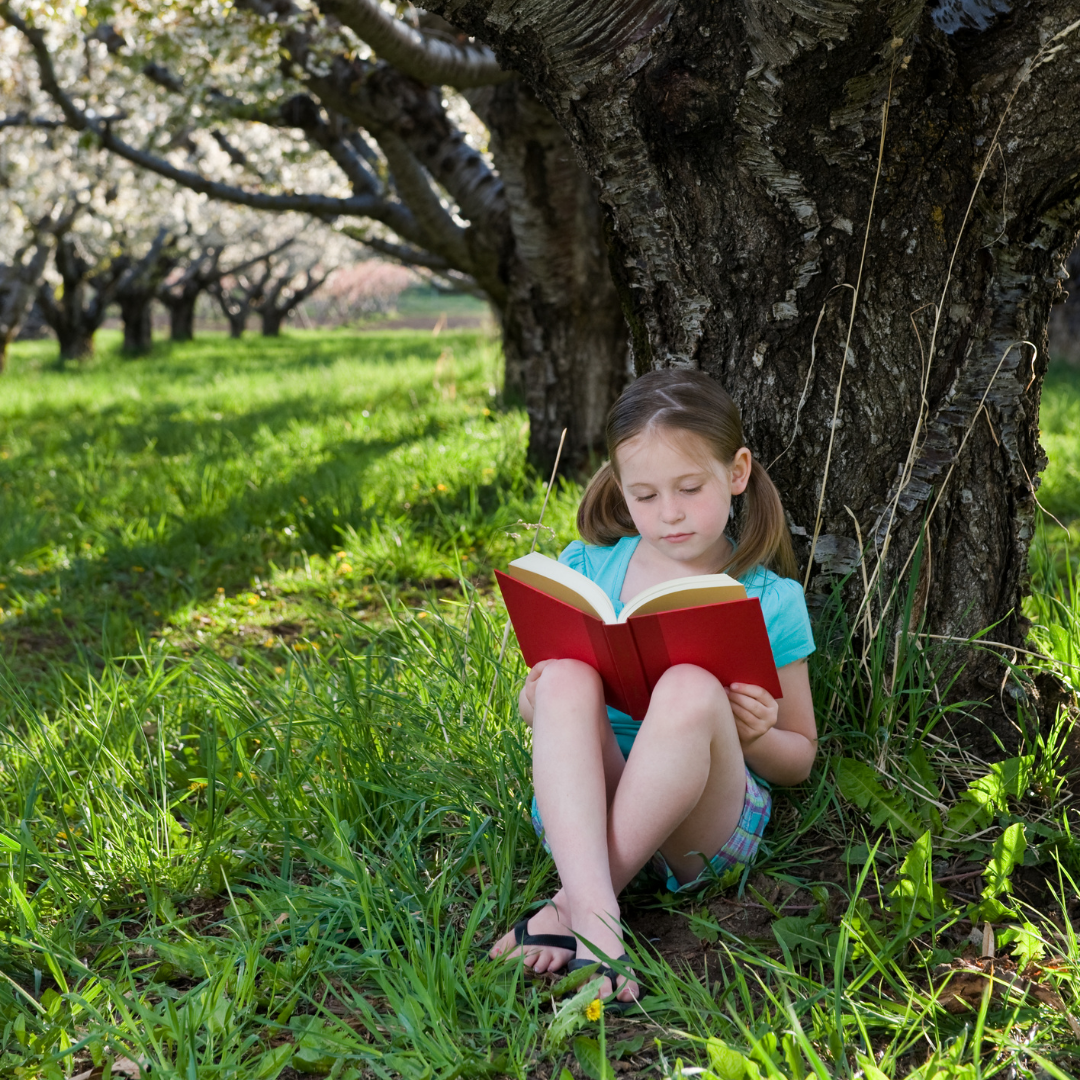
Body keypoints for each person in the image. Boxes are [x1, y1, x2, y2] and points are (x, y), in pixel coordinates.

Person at [489, 368, 818, 1006]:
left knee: (691, 687)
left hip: (703, 826)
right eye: (642, 495)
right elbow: (546, 704)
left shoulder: (769, 599)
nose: (668, 514)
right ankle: (600, 914)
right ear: (619, 489)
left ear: (738, 472)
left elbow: (801, 756)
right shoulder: (588, 566)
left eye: (689, 489)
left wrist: (755, 736)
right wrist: (536, 703)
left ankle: (578, 908)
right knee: (562, 676)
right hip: (584, 811)